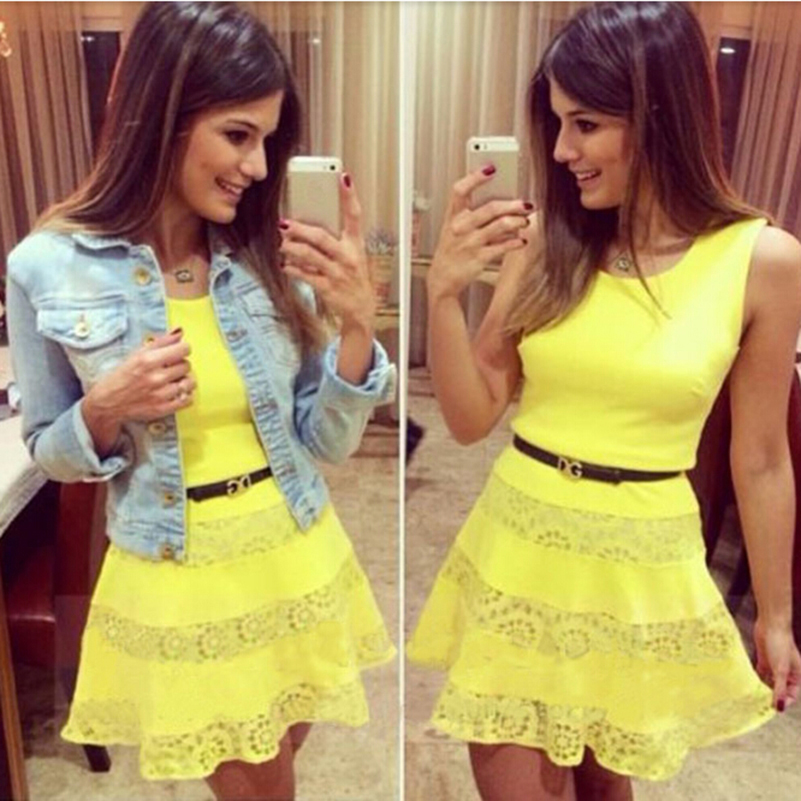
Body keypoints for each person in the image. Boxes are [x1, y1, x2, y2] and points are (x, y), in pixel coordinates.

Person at [407, 3, 801, 800]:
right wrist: (442, 295)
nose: (561, 151)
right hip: (523, 539)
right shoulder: (548, 241)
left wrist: (774, 617)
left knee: (601, 782)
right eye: (557, 124)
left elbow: (760, 458)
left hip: (640, 560)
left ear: (659, 114)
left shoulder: (761, 260)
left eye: (584, 124)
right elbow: (471, 416)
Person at [6, 3, 396, 799]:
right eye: (236, 134)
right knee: (260, 783)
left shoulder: (264, 255)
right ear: (162, 114)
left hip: (294, 546)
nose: (256, 165)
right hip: (183, 569)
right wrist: (106, 406)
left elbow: (324, 440)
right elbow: (48, 446)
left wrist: (357, 326)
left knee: (281, 754)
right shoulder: (47, 263)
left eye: (267, 140)